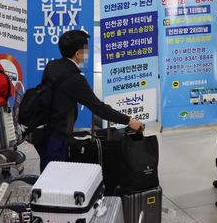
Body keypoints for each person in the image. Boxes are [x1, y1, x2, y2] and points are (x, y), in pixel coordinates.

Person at [34, 30, 144, 172]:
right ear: (78, 53)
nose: (88, 53)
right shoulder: (75, 79)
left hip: (44, 130)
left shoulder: (52, 65)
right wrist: (129, 121)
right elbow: (100, 109)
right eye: (86, 50)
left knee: (48, 171)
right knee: (52, 178)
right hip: (56, 137)